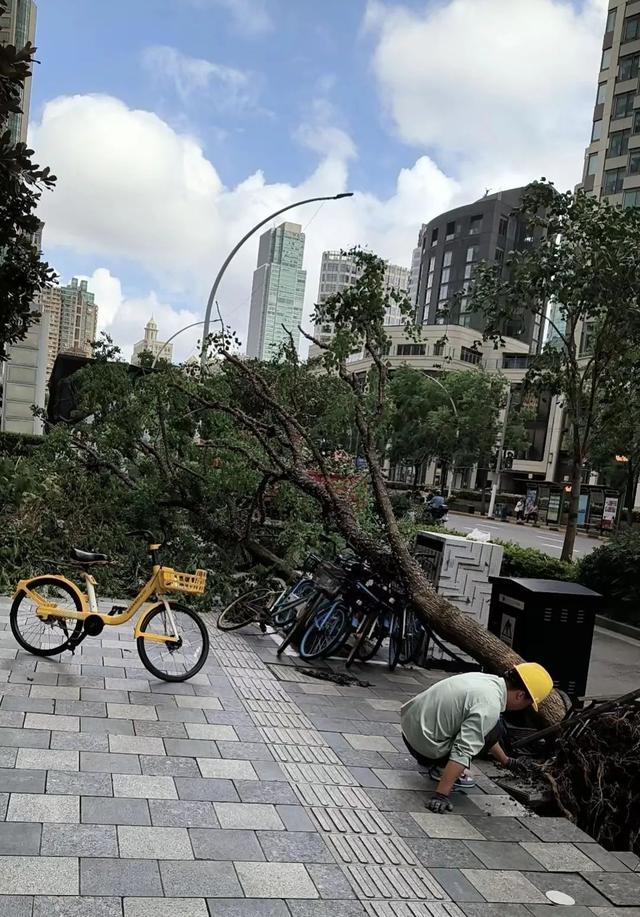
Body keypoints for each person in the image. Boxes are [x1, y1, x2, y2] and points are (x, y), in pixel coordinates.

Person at [400, 663, 553, 814]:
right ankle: (441, 769)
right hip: (424, 747)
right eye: (528, 703)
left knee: (491, 726)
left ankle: (438, 763)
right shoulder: (490, 705)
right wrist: (441, 795)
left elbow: (483, 732)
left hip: (410, 733)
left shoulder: (488, 681)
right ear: (520, 695)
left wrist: (506, 761)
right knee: (495, 728)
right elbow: (464, 749)